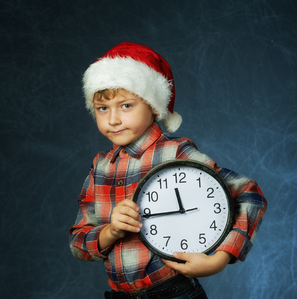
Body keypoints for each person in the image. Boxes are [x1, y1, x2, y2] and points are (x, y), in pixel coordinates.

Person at [69, 42, 267, 299]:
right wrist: (110, 232)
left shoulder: (176, 153)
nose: (113, 119)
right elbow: (78, 244)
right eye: (102, 108)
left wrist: (220, 258)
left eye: (126, 105)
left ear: (153, 106)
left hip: (173, 293)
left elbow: (249, 194)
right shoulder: (100, 168)